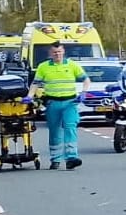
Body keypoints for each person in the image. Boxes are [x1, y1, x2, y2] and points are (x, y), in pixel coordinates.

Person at [31, 41, 88, 170]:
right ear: (50, 53)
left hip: (70, 102)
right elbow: (35, 83)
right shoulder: (43, 67)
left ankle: (71, 158)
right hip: (53, 103)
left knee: (70, 127)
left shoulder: (72, 65)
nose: (57, 54)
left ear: (63, 52)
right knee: (54, 131)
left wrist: (84, 92)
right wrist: (29, 96)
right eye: (55, 52)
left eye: (59, 52)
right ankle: (55, 159)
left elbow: (86, 79)